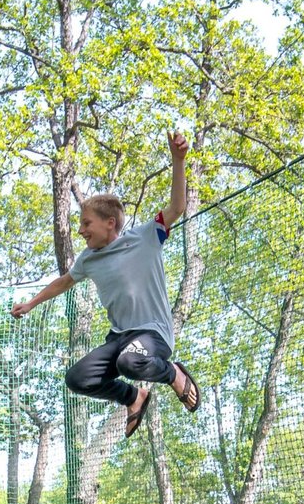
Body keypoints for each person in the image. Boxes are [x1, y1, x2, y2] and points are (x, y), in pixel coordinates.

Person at [10, 133, 201, 439]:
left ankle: (174, 373)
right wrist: (32, 303)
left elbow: (177, 206)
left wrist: (178, 160)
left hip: (152, 334)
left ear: (109, 222)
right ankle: (133, 397)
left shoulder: (146, 237)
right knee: (78, 379)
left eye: (87, 223)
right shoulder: (89, 259)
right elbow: (64, 282)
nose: (82, 230)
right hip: (119, 337)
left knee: (129, 361)